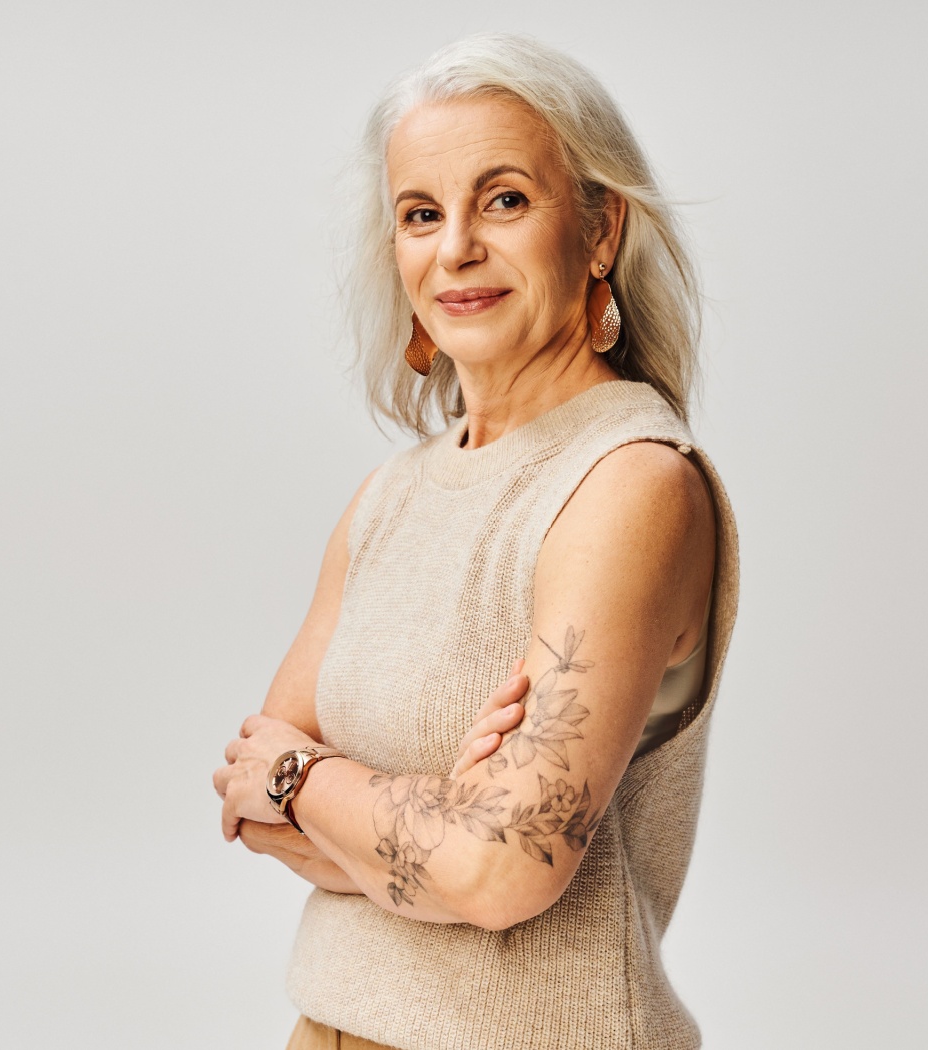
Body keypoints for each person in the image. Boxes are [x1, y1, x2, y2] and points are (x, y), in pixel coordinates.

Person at [212, 33, 740, 1050]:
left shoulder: (631, 483)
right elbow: (252, 806)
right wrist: (436, 819)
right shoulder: (390, 497)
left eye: (502, 200)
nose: (454, 246)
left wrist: (310, 778)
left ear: (597, 230)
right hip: (325, 1031)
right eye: (420, 213)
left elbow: (503, 868)